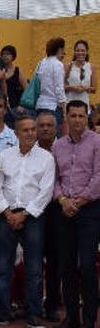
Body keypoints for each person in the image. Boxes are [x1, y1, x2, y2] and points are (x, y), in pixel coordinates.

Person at [0, 115, 54, 327]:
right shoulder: (5, 156)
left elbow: (46, 191)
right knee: (3, 266)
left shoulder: (46, 158)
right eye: (25, 130)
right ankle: (2, 312)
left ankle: (33, 313)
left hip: (33, 216)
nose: (30, 133)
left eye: (33, 129)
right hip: (5, 215)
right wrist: (7, 213)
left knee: (34, 268)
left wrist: (24, 214)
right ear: (16, 134)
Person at [52, 100, 100, 328]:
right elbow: (53, 180)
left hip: (89, 210)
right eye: (74, 116)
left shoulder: (98, 142)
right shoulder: (57, 146)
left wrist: (79, 202)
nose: (78, 120)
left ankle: (89, 318)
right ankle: (72, 317)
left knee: (88, 265)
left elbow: (99, 177)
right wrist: (62, 200)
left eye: (82, 116)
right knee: (66, 266)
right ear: (67, 117)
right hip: (64, 211)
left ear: (87, 117)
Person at [35, 110, 61, 320]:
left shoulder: (63, 149)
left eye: (49, 125)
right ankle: (31, 305)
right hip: (32, 211)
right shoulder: (27, 149)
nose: (45, 128)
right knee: (32, 262)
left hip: (56, 212)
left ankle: (51, 305)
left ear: (56, 128)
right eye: (41, 125)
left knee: (54, 261)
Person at [36, 37, 67, 128]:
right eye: (63, 49)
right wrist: (64, 110)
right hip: (53, 107)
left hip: (39, 105)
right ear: (59, 49)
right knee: (54, 138)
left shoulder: (41, 62)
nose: (63, 53)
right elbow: (59, 89)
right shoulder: (58, 64)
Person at [64, 40, 95, 109]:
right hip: (69, 105)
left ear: (86, 52)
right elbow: (61, 87)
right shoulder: (68, 66)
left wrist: (85, 88)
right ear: (74, 52)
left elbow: (94, 89)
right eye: (77, 50)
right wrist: (72, 88)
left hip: (85, 105)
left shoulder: (91, 67)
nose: (80, 53)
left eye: (83, 50)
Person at [1, 45, 27, 114]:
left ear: (13, 56)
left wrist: (22, 105)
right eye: (3, 54)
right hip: (2, 107)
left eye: (8, 54)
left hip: (16, 108)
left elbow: (26, 89)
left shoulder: (18, 71)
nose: (5, 56)